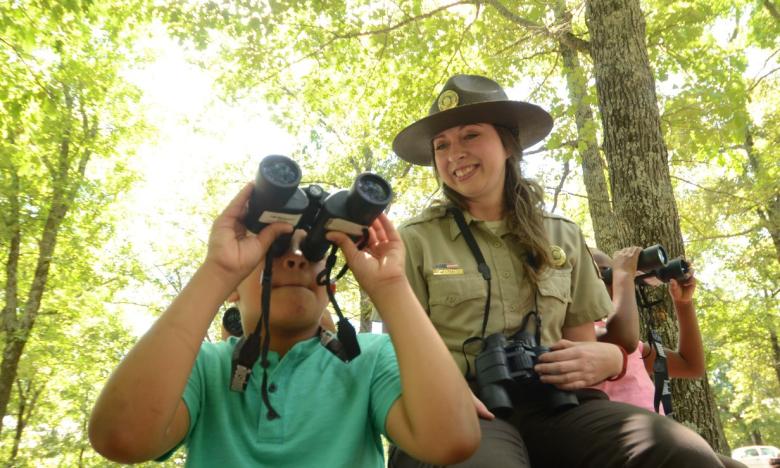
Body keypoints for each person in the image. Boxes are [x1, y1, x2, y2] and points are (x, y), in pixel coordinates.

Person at [388, 74, 730, 467]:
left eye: (470, 136)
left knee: (682, 451)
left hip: (558, 402)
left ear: (507, 143)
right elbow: (397, 353)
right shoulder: (415, 240)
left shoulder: (561, 235)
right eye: (441, 145)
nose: (454, 154)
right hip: (465, 404)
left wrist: (610, 360)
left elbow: (580, 345)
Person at [88, 182, 480, 466]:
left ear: (330, 287)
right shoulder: (205, 367)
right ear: (232, 290)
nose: (295, 259)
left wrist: (392, 287)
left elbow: (452, 441)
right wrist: (217, 269)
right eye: (274, 250)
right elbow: (120, 438)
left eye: (313, 251)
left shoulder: (369, 358)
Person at [592, 248, 746, 468]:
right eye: (608, 273)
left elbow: (690, 365)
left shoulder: (633, 345)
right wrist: (624, 274)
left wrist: (684, 304)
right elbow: (620, 337)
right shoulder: (585, 334)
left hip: (661, 439)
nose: (616, 278)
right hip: (627, 446)